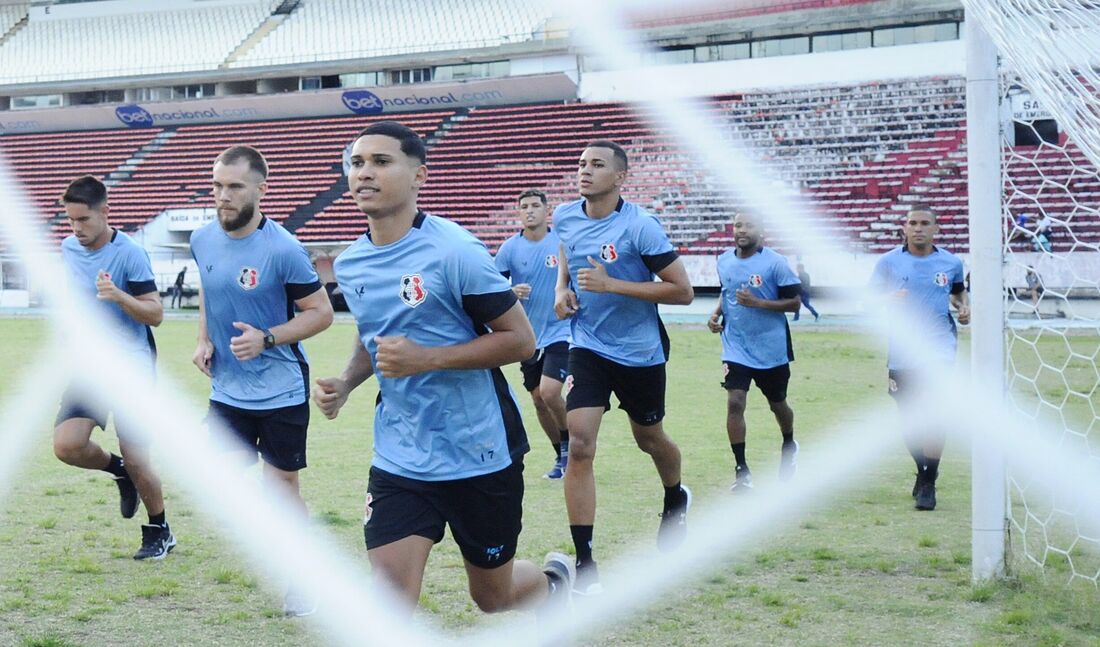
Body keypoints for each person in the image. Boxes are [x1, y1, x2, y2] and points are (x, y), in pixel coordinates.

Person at [312, 121, 574, 619]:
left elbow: (521, 341)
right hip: (401, 455)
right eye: (357, 163)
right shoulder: (352, 264)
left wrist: (427, 358)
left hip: (479, 452)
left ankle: (553, 583)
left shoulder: (455, 251)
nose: (364, 173)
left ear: (419, 177)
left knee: (491, 599)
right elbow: (377, 334)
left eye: (382, 162)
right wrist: (347, 381)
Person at [189, 145, 334, 616]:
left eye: (234, 187)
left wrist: (267, 338)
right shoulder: (202, 239)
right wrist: (203, 339)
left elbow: (321, 313)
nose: (222, 196)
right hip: (228, 388)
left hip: (280, 388)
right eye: (216, 185)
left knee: (281, 490)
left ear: (260, 190)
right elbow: (211, 292)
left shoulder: (284, 249)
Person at [552, 140, 694, 594]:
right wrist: (562, 288)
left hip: (639, 352)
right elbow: (566, 253)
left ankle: (675, 496)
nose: (584, 170)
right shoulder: (565, 216)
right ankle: (586, 562)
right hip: (588, 345)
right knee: (579, 445)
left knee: (648, 438)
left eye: (596, 164)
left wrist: (614, 284)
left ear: (620, 177)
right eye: (580, 162)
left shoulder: (640, 227)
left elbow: (682, 291)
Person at [55, 175, 174, 560]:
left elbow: (155, 314)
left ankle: (160, 529)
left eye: (84, 219)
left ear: (106, 212)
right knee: (67, 446)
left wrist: (118, 295)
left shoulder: (131, 254)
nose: (77, 229)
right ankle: (118, 471)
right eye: (71, 220)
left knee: (140, 457)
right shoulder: (68, 249)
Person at [869, 205, 969, 511]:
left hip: (939, 347)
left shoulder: (951, 262)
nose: (918, 228)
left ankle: (929, 483)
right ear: (904, 227)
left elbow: (957, 292)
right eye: (912, 222)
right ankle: (922, 469)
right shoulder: (888, 263)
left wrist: (964, 307)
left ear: (936, 228)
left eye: (925, 223)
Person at [707, 213, 802, 493]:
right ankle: (742, 470)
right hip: (735, 346)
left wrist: (758, 303)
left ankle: (789, 442)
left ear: (761, 230)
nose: (742, 230)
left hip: (771, 349)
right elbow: (727, 293)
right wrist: (715, 315)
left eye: (748, 225)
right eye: (738, 225)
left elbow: (795, 303)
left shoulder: (775, 263)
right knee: (735, 402)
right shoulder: (723, 260)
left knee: (778, 404)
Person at [494, 189, 571, 480]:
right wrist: (510, 292)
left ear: (546, 210)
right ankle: (561, 454)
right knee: (539, 398)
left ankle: (572, 448)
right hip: (529, 336)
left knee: (551, 391)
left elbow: (574, 278)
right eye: (524, 206)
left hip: (561, 331)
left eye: (535, 205)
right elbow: (492, 289)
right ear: (518, 213)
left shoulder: (561, 244)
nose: (529, 211)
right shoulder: (510, 249)